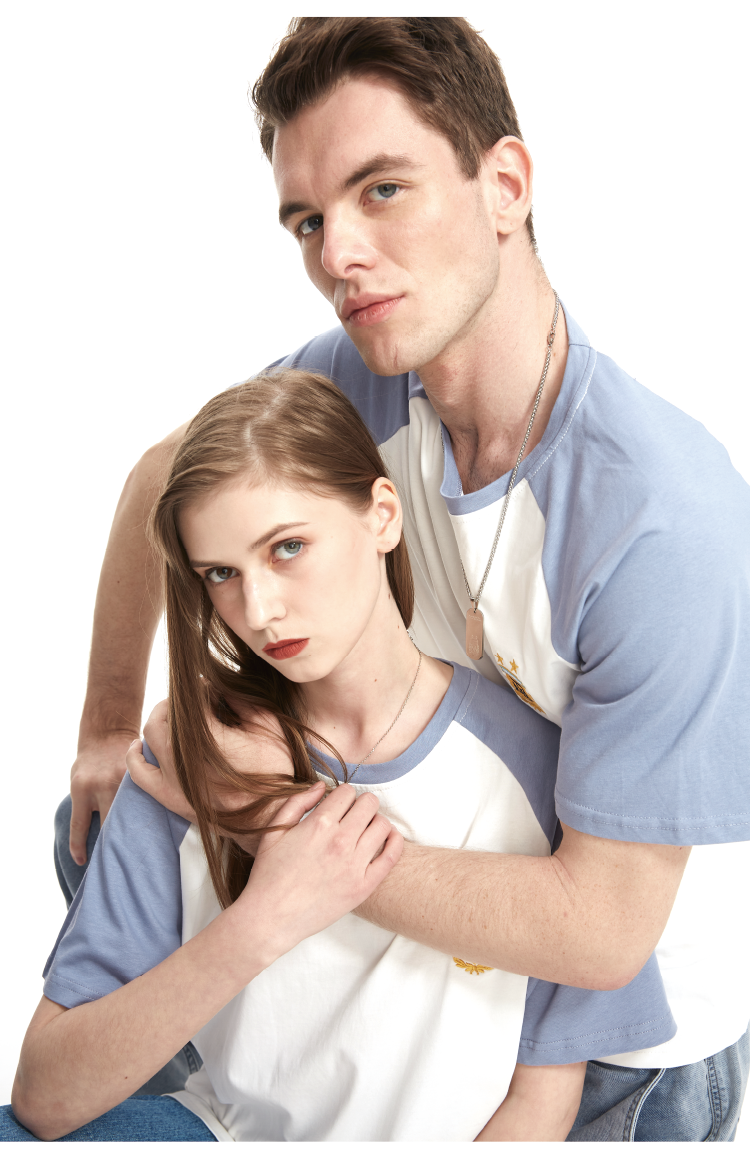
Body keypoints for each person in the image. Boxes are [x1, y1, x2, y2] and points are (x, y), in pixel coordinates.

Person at [57, 17, 750, 1140]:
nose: (337, 253)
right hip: (408, 900)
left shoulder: (664, 521)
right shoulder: (371, 375)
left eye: (382, 190)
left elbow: (600, 934)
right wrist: (102, 731)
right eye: (308, 219)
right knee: (103, 815)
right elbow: (161, 486)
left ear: (505, 185)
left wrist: (269, 820)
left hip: (614, 1041)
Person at [9, 370, 678, 1142]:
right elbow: (45, 1097)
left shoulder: (532, 766)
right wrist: (265, 919)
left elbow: (542, 1101)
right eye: (221, 574)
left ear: (382, 515)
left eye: (287, 547)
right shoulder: (193, 759)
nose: (258, 610)